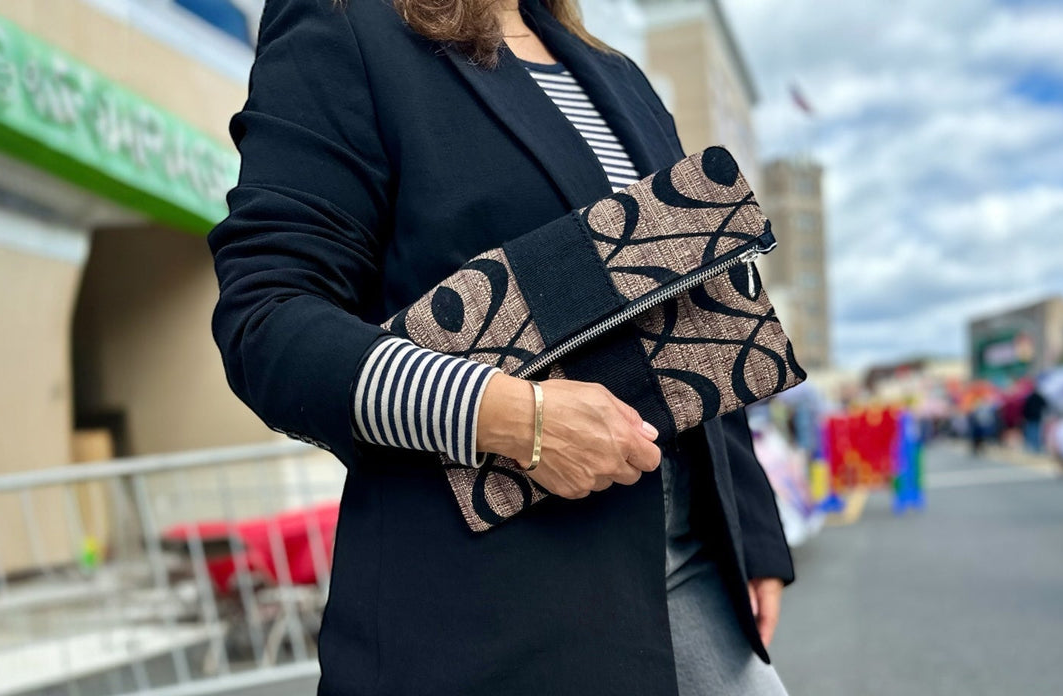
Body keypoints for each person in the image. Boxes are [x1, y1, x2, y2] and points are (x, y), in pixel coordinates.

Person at [206, 1, 794, 694]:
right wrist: (515, 418)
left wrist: (754, 532)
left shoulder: (618, 74)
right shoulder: (345, 25)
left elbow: (693, 305)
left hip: (699, 583)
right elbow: (266, 319)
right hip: (494, 619)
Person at [1022, 388, 1048, 454]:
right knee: (1036, 431)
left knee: (1031, 431)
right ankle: (1036, 446)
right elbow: (1045, 405)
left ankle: (1031, 445)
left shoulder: (1029, 398)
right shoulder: (1039, 397)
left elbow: (1025, 407)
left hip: (1030, 417)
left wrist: (1025, 415)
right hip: (1037, 416)